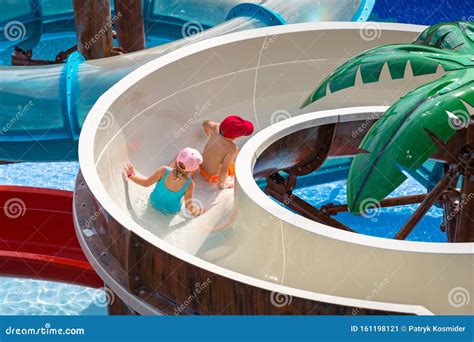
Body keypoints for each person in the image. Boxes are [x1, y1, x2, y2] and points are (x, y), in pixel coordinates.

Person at [124, 148, 205, 216]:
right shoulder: (189, 184)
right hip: (170, 212)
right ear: (192, 169)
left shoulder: (163, 171)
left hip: (154, 203)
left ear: (177, 159)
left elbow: (145, 183)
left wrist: (131, 176)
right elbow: (189, 207)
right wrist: (199, 211)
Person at [200, 115, 254, 189]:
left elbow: (205, 123)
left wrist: (207, 132)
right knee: (233, 164)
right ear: (236, 136)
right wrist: (221, 185)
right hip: (212, 176)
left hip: (201, 164)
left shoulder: (215, 127)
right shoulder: (232, 148)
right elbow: (224, 170)